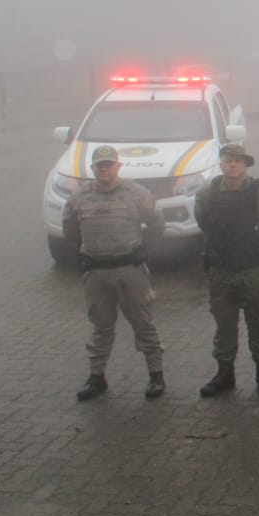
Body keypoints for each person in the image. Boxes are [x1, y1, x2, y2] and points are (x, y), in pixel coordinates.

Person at [63, 145, 166, 401]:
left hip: (129, 271)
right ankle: (97, 377)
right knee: (100, 327)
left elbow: (156, 223)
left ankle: (156, 374)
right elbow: (71, 230)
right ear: (93, 168)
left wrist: (144, 251)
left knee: (143, 324)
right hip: (97, 274)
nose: (104, 169)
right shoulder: (79, 198)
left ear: (118, 166)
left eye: (109, 164)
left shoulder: (136, 193)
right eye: (100, 165)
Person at [193, 143, 259, 398]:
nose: (232, 165)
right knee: (224, 325)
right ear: (221, 163)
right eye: (227, 160)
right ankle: (225, 374)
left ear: (246, 165)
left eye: (237, 161)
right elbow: (202, 220)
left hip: (251, 270)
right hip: (221, 271)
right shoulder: (208, 193)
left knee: (258, 322)